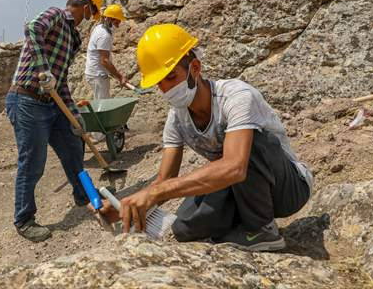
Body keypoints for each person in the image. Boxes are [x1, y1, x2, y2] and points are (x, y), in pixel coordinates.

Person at [94, 23, 313, 252]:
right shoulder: (177, 118)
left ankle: (262, 231)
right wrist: (126, 206)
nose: (165, 89)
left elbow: (235, 167)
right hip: (239, 189)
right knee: (184, 228)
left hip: (287, 189)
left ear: (195, 68)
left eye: (171, 77)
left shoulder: (236, 96)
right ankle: (240, 227)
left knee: (251, 145)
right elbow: (165, 178)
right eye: (159, 83)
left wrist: (155, 193)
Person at [6, 0, 103, 242]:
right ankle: (24, 219)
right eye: (90, 13)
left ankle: (83, 194)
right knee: (33, 162)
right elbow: (32, 28)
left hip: (52, 102)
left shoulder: (74, 37)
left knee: (73, 146)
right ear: (84, 6)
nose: (88, 19)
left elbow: (60, 82)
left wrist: (74, 114)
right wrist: (42, 69)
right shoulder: (55, 15)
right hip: (26, 99)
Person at [84, 4, 128, 142]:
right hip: (98, 74)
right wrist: (120, 76)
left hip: (95, 73)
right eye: (117, 20)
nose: (119, 23)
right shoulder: (104, 35)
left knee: (100, 101)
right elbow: (104, 61)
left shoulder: (99, 28)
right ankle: (98, 136)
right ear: (109, 19)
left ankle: (97, 132)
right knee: (102, 104)